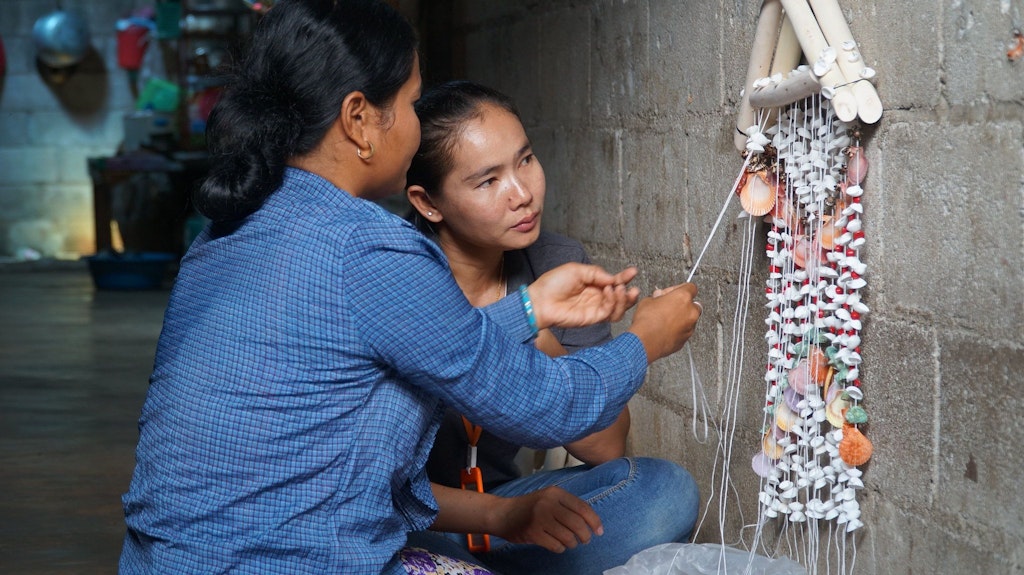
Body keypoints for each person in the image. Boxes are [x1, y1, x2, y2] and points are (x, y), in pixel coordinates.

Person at [118, 1, 703, 574]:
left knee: (650, 493)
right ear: (359, 120)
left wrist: (526, 309)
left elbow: (382, 374)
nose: (519, 193)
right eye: (410, 103)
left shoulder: (224, 235)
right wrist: (644, 339)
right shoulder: (370, 246)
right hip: (295, 558)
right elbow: (545, 405)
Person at [403, 81, 700, 574]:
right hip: (414, 514)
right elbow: (375, 482)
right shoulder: (399, 278)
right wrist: (525, 314)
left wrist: (538, 330)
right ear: (428, 203)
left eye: (525, 160)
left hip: (510, 504)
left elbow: (603, 446)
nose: (523, 194)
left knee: (664, 491)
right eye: (487, 181)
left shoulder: (556, 264)